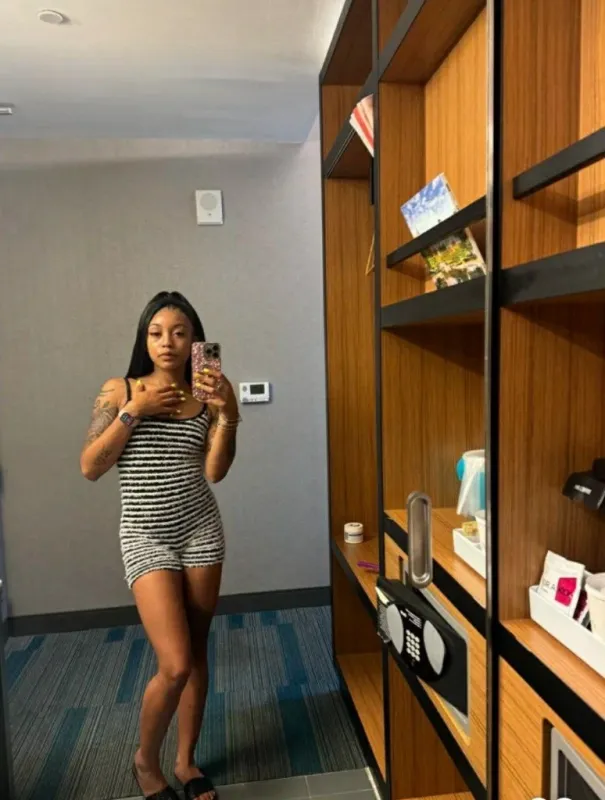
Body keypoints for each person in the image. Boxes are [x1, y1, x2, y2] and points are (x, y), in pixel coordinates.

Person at [80, 291, 238, 800]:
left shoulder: (207, 395)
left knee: (197, 651)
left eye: (179, 332)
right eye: (156, 332)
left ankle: (186, 761)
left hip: (200, 530)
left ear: (195, 341)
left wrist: (229, 413)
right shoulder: (120, 390)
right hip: (146, 535)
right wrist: (134, 411)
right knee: (175, 663)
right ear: (144, 339)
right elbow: (90, 466)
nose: (167, 342)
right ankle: (145, 762)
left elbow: (215, 471)